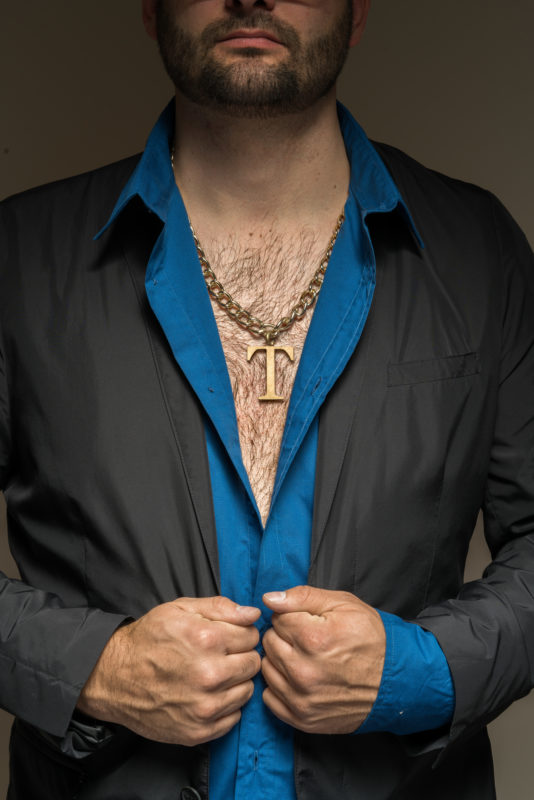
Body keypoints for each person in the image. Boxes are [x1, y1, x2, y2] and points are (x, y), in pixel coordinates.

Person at [0, 0, 533, 797]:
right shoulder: (18, 259)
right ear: (150, 7)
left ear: (358, 13)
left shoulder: (478, 251)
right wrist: (95, 670)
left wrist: (420, 673)